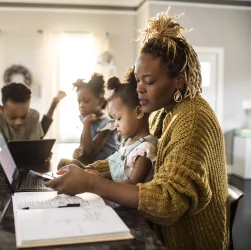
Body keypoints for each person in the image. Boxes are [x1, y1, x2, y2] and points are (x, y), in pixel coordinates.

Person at [45, 8, 229, 250]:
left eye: (149, 81)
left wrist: (92, 184)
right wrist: (87, 170)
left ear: (179, 80)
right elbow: (128, 155)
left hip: (188, 241)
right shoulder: (162, 112)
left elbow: (168, 202)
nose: (139, 88)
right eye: (138, 79)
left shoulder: (193, 117)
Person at [0, 83, 66, 159]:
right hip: (2, 165)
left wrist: (42, 153)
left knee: (42, 132)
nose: (19, 122)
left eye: (24, 116)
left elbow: (35, 146)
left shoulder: (33, 115)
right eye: (13, 117)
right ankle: (54, 103)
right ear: (2, 109)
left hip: (27, 161)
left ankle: (54, 104)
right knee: (43, 128)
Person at [72, 73, 119, 165]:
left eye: (86, 101)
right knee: (64, 164)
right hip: (92, 166)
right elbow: (83, 148)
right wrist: (78, 151)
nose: (81, 105)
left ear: (100, 101)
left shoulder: (109, 124)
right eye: (79, 102)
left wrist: (86, 123)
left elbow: (90, 152)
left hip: (108, 168)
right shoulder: (87, 120)